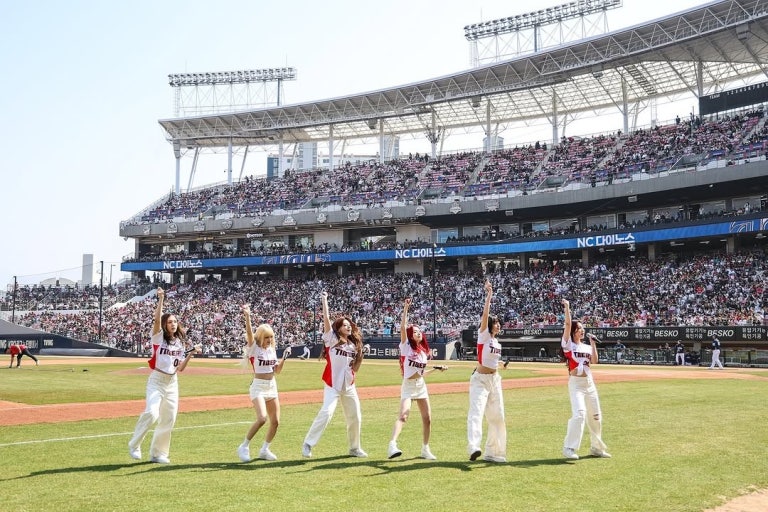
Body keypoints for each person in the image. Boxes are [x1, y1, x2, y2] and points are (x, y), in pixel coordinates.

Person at [128, 287, 201, 464]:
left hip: (172, 382)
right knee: (152, 413)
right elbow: (156, 320)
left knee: (169, 418)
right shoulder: (158, 338)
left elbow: (180, 368)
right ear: (164, 324)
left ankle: (158, 453)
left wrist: (191, 354)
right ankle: (134, 444)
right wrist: (161, 299)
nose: (173, 324)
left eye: (175, 321)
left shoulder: (180, 343)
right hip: (157, 381)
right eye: (169, 322)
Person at [302, 290, 367, 458]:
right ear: (338, 328)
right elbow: (326, 319)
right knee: (327, 412)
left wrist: (361, 355)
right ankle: (308, 443)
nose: (348, 326)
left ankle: (354, 448)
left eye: (349, 325)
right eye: (344, 325)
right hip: (332, 384)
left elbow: (355, 369)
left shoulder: (353, 345)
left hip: (349, 385)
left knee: (355, 416)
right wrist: (324, 300)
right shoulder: (331, 339)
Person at [387, 297, 447, 461]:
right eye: (414, 331)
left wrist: (436, 369)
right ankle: (392, 445)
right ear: (409, 335)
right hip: (408, 385)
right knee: (403, 416)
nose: (418, 333)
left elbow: (421, 373)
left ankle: (425, 449)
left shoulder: (423, 353)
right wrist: (406, 308)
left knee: (427, 419)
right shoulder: (406, 347)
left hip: (420, 385)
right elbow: (402, 327)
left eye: (419, 331)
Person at [237, 304, 290, 462]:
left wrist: (284, 358)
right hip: (258, 387)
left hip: (271, 385)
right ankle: (244, 446)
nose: (269, 340)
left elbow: (277, 371)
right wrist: (247, 316)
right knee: (262, 418)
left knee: (276, 421)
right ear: (260, 337)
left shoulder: (271, 350)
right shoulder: (254, 349)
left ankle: (265, 450)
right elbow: (249, 333)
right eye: (266, 337)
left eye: (271, 337)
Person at [560, 298, 610, 460]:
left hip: (589, 384)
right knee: (579, 414)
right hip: (576, 385)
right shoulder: (568, 345)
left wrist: (593, 343)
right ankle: (569, 447)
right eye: (579, 329)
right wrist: (567, 308)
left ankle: (597, 448)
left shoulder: (587, 346)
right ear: (573, 331)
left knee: (596, 416)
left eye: (583, 328)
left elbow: (594, 361)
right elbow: (568, 324)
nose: (582, 331)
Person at [466, 280, 507, 463]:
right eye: (495, 323)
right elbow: (485, 314)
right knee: (476, 412)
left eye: (499, 323)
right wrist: (489, 295)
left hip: (494, 380)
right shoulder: (483, 335)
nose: (498, 325)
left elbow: (492, 361)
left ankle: (493, 452)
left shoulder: (497, 343)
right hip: (480, 380)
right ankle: (474, 446)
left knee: (497, 416)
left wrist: (501, 365)